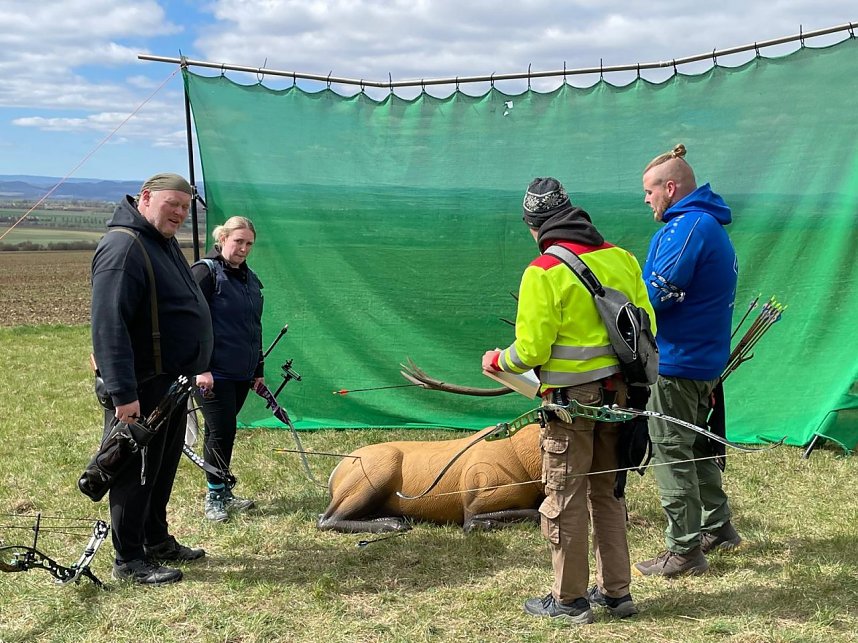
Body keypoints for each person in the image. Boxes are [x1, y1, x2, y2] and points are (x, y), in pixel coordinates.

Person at [482, 177, 654, 625]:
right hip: (620, 399)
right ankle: (617, 594)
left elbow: (532, 351)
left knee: (564, 497)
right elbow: (647, 323)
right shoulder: (622, 258)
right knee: (608, 495)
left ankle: (569, 600)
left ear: (534, 225)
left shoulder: (542, 271)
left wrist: (500, 358)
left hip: (569, 405)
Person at [91, 173, 213, 586]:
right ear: (145, 198)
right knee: (133, 470)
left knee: (161, 468)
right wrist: (124, 394)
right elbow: (109, 326)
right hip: (140, 386)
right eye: (172, 204)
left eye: (185, 206)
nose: (180, 213)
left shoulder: (159, 241)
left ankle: (156, 539)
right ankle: (129, 560)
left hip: (171, 383)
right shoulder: (124, 246)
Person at [633, 144, 742, 578]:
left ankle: (684, 551)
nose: (646, 200)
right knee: (696, 448)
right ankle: (719, 528)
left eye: (649, 191)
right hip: (704, 362)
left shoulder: (689, 227)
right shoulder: (708, 225)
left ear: (670, 188)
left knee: (672, 452)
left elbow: (656, 294)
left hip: (677, 364)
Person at [191, 216, 264, 522]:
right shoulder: (205, 273)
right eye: (238, 241)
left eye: (249, 243)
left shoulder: (250, 280)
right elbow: (190, 322)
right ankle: (214, 496)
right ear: (221, 239)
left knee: (225, 431)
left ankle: (224, 490)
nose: (243, 248)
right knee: (221, 431)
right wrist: (201, 368)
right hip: (212, 373)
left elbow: (253, 327)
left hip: (241, 371)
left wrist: (258, 368)